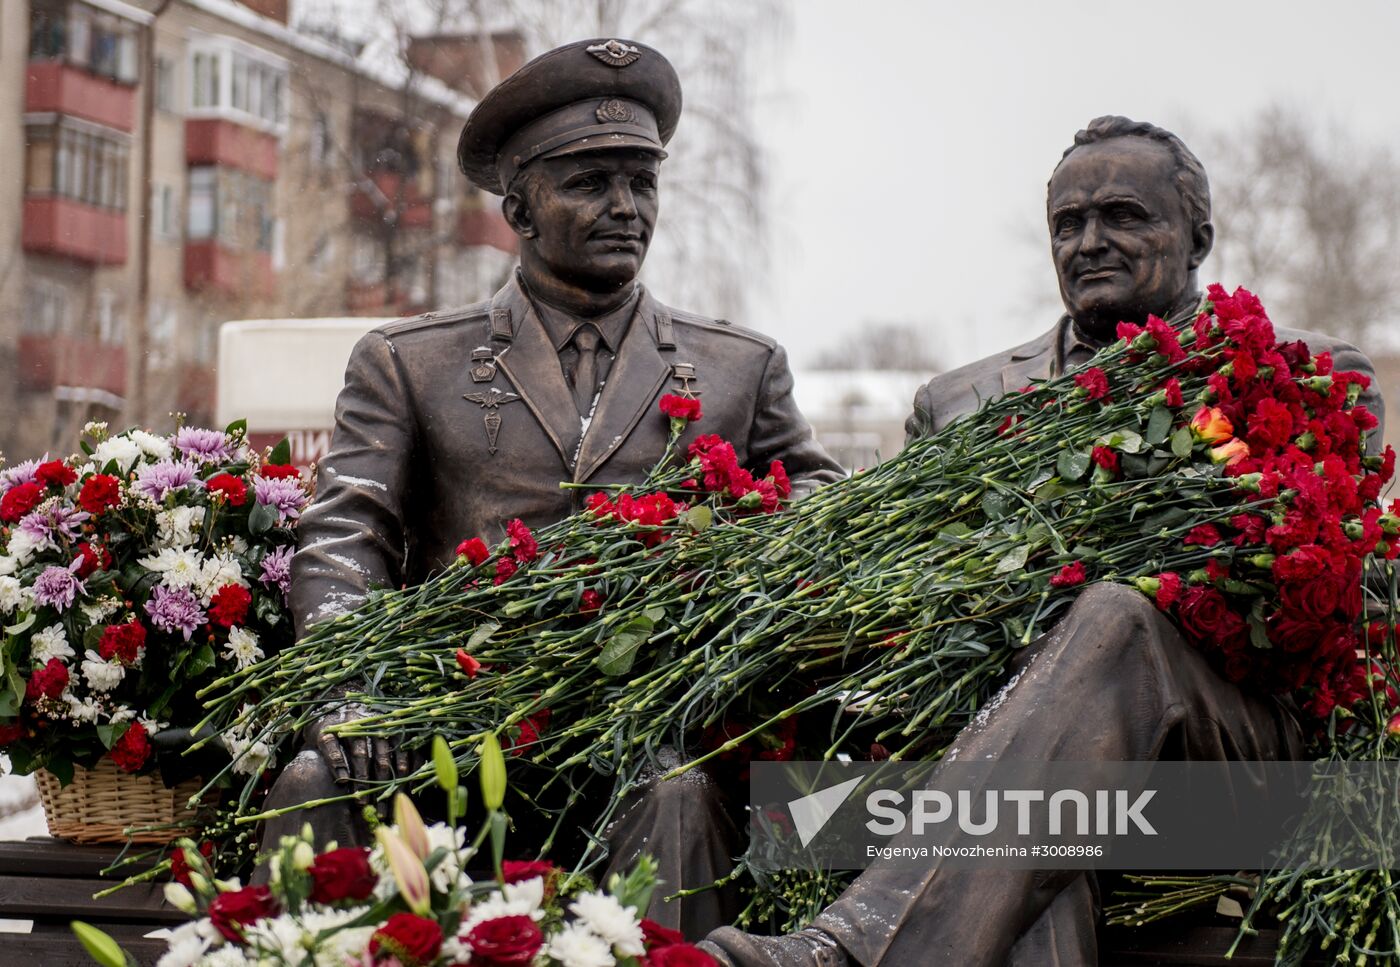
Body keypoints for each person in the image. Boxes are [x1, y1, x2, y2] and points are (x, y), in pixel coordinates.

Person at [698, 117, 1386, 966]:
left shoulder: (1310, 376)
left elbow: (1314, 603)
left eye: (1124, 216)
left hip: (1222, 734)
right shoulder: (958, 404)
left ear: (1198, 232)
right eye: (1068, 224)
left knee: (1114, 616)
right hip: (1024, 751)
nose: (1090, 242)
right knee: (1035, 813)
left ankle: (849, 951)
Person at [260, 38, 844, 936]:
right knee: (309, 778)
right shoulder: (410, 362)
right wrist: (354, 690)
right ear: (518, 208)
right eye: (590, 182)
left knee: (681, 791)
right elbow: (346, 537)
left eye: (641, 182)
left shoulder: (740, 368)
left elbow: (821, 526)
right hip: (451, 726)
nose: (625, 207)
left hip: (648, 730)